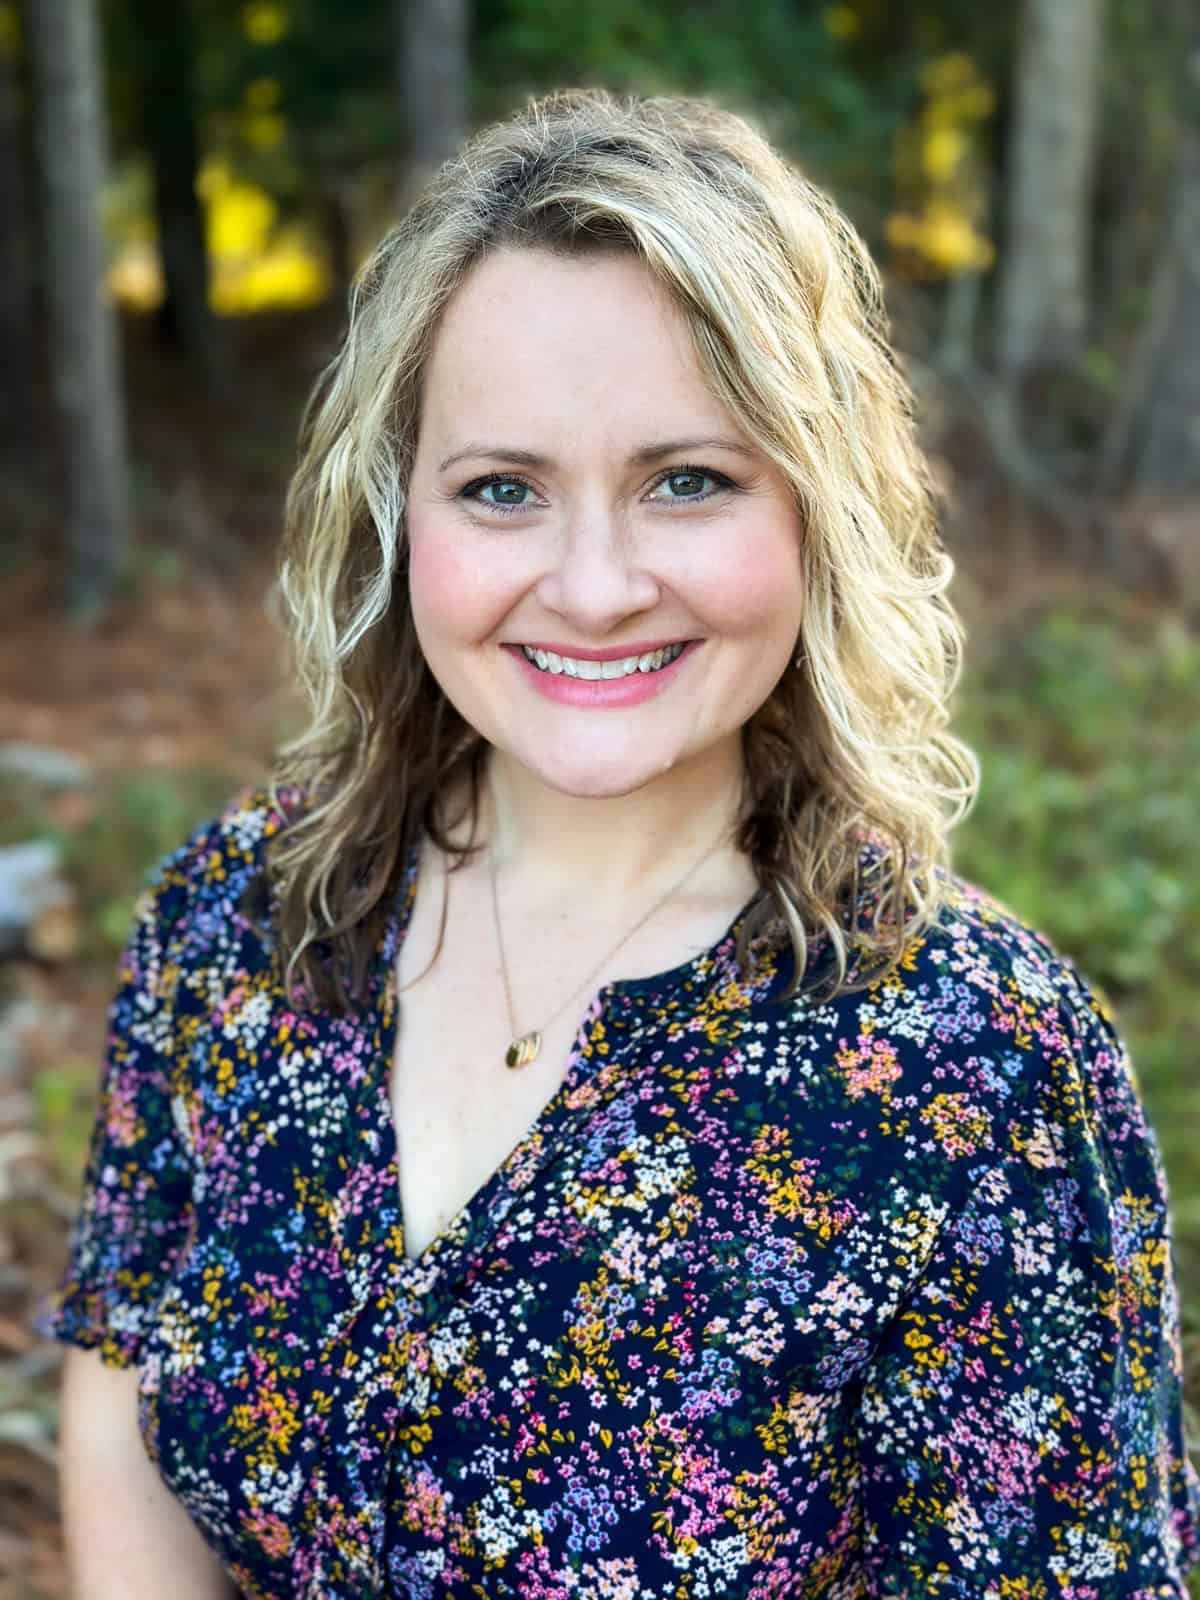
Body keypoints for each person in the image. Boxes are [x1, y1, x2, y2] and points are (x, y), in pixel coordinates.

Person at [36, 86, 1200, 1600]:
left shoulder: (972, 1073)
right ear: (399, 517)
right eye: (502, 489)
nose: (592, 589)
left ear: (818, 511)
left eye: (688, 481)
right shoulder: (239, 917)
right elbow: (127, 1366)